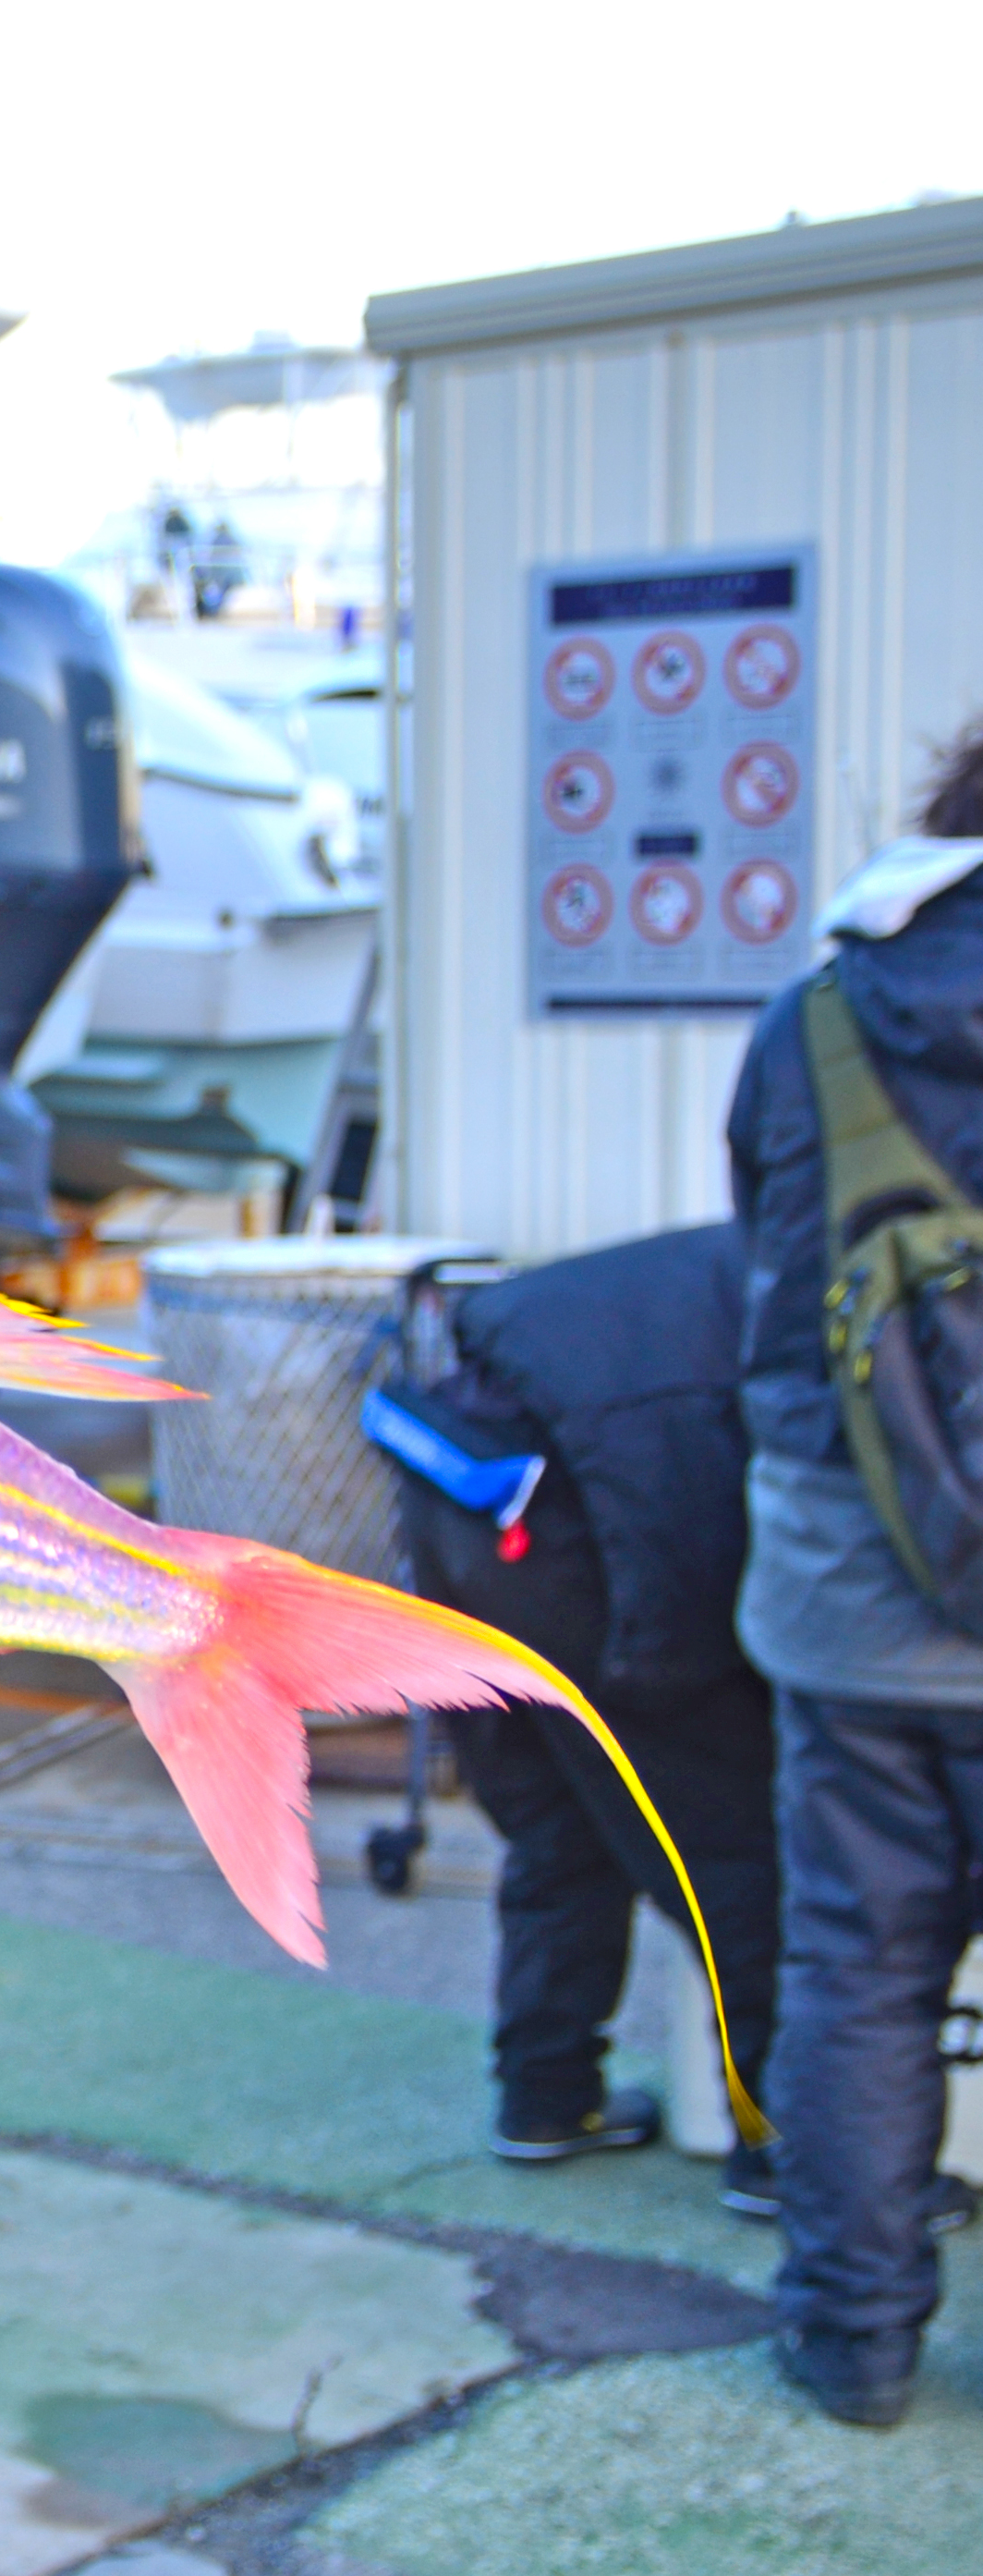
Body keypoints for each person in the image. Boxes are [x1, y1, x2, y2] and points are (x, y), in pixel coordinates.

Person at [726, 713, 983, 2427]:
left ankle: (853, 2339)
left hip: (849, 1601)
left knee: (858, 1972)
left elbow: (764, 1286)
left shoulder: (816, 1015)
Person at [377, 1227, 781, 2195]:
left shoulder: (773, 1248)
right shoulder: (829, 1303)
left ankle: (547, 2096)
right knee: (733, 1845)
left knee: (561, 1816)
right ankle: (787, 2148)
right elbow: (675, 1529)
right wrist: (656, 1675)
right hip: (559, 1515)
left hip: (456, 1483)